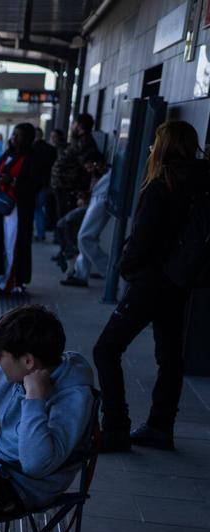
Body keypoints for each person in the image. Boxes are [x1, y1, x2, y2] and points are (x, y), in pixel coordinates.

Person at [93, 120, 210, 452]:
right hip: (180, 283)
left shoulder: (161, 186)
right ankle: (161, 426)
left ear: (163, 146)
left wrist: (127, 269)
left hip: (150, 282)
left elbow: (142, 242)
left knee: (106, 349)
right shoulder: (202, 184)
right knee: (171, 356)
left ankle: (115, 426)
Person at [0, 305, 96, 515]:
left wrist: (34, 399)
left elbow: (36, 464)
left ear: (28, 361)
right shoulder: (9, 372)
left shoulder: (73, 396)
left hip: (19, 488)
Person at [0, 123, 39, 299]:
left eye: (18, 135)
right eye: (13, 134)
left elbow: (35, 184)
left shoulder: (32, 159)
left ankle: (9, 281)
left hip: (19, 210)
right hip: (2, 208)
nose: (13, 138)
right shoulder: (8, 154)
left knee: (12, 245)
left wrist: (12, 181)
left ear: (28, 138)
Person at [62, 152, 111, 287]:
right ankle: (81, 274)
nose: (89, 171)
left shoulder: (109, 176)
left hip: (100, 204)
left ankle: (108, 270)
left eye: (90, 167)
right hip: (96, 202)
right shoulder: (101, 176)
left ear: (98, 164)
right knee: (85, 238)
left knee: (85, 237)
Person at [51, 113, 99, 219]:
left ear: (79, 125)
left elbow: (87, 170)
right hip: (64, 187)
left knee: (66, 222)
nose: (72, 126)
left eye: (74, 123)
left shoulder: (85, 143)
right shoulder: (78, 141)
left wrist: (80, 193)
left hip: (70, 190)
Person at [31, 126, 58, 240]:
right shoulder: (51, 149)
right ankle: (41, 233)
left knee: (31, 209)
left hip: (32, 184)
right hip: (45, 183)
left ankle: (30, 232)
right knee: (39, 209)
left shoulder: (30, 149)